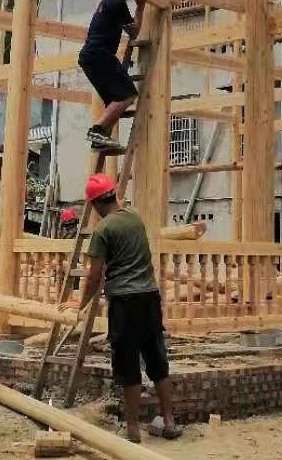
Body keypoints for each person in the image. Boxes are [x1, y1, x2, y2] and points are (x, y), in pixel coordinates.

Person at [77, 173, 182, 443]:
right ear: (114, 195)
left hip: (124, 302)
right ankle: (169, 422)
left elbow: (94, 275)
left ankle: (133, 430)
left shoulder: (103, 230)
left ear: (96, 204)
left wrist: (81, 305)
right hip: (149, 297)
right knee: (157, 361)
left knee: (128, 365)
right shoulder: (135, 218)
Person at [79, 0, 145, 153]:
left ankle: (100, 139)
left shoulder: (108, 1)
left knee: (115, 101)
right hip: (99, 54)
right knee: (127, 95)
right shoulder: (116, 1)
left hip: (90, 56)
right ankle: (97, 131)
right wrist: (141, 6)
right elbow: (134, 32)